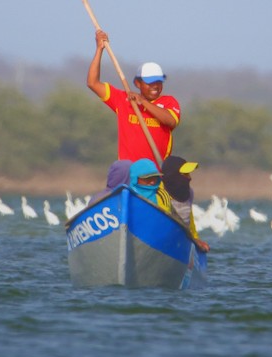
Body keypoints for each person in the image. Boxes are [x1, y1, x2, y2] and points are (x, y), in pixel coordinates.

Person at [87, 29, 180, 164]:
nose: (155, 86)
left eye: (158, 82)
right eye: (150, 83)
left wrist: (144, 103)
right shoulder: (123, 99)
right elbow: (92, 83)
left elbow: (170, 121)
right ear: (138, 83)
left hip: (156, 172)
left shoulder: (169, 102)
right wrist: (99, 49)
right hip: (128, 173)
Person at [159, 155, 210, 253]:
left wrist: (195, 238)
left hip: (184, 241)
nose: (190, 178)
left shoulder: (189, 192)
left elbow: (189, 217)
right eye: (185, 174)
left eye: (189, 174)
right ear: (173, 175)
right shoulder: (159, 192)